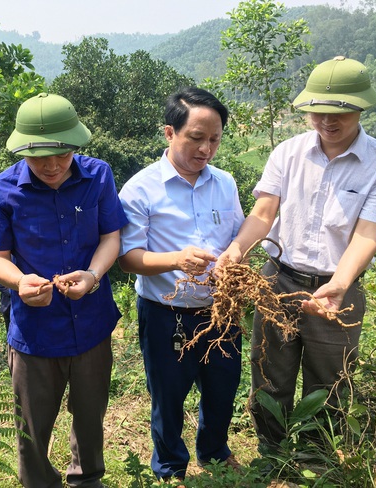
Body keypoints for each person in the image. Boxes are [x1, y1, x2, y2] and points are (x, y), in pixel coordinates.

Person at [217, 56, 376, 453]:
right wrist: (237, 249)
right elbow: (264, 212)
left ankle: (316, 461)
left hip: (338, 288)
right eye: (317, 112)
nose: (326, 122)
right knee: (270, 376)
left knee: (330, 381)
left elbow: (367, 235)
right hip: (277, 278)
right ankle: (272, 457)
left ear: (360, 108)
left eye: (340, 113)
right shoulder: (288, 152)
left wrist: (339, 284)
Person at [0, 92, 128, 488]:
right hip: (34, 329)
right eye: (39, 156)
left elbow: (111, 237)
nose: (52, 165)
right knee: (32, 427)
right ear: (21, 150)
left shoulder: (97, 175)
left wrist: (93, 276)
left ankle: (88, 479)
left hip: (91, 323)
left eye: (62, 155)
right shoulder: (0, 190)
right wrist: (20, 282)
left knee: (90, 413)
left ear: (75, 146)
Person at [118, 87, 245, 482]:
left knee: (223, 387)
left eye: (214, 139)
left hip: (222, 312)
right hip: (165, 313)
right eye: (196, 137)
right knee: (168, 395)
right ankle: (170, 465)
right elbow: (128, 258)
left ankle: (214, 451)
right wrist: (176, 260)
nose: (206, 148)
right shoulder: (140, 188)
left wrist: (234, 263)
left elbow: (239, 239)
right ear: (169, 133)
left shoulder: (225, 183)